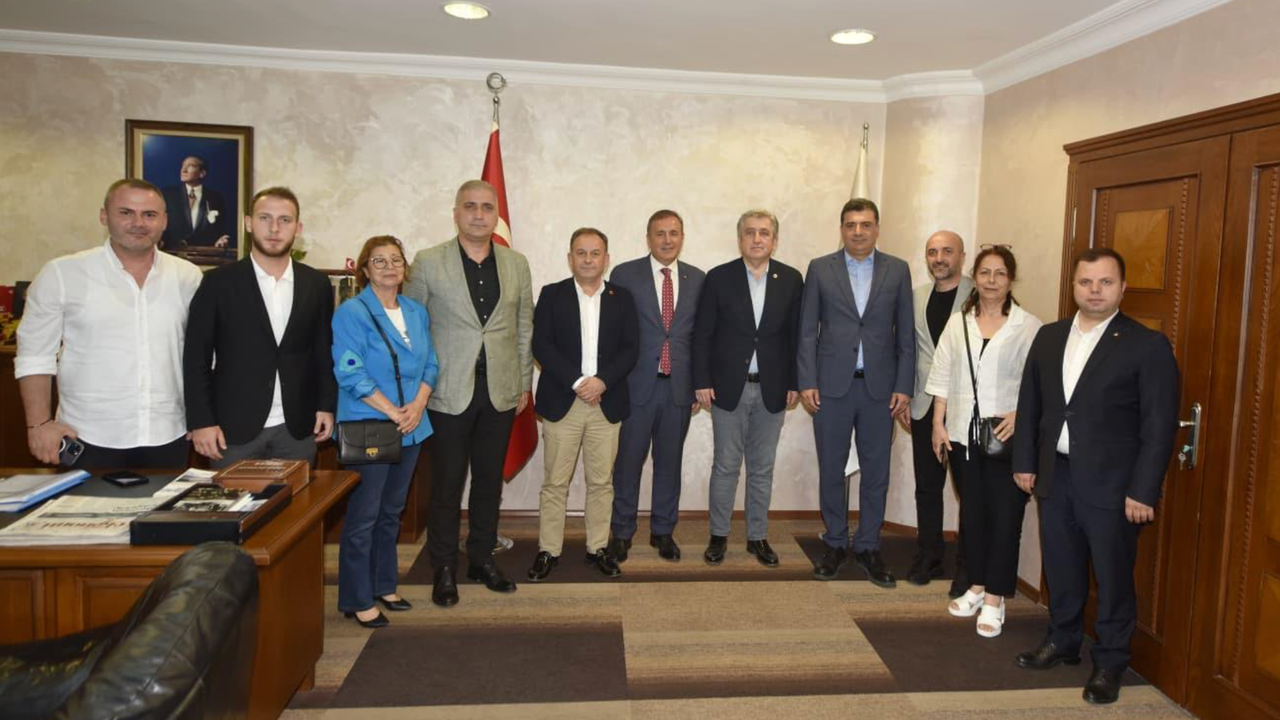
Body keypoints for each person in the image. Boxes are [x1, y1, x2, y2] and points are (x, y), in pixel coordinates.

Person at [1012, 248, 1179, 704]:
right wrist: (1025, 461)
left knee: (1112, 576)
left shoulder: (1146, 345)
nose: (1095, 291)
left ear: (1122, 288)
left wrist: (1144, 489)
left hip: (1114, 485)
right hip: (1056, 476)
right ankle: (1063, 641)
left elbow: (1159, 425)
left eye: (1105, 282)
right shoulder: (1049, 336)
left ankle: (1110, 662)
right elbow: (1031, 404)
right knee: (1062, 567)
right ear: (1074, 287)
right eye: (1086, 282)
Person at [404, 180, 533, 607]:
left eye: (487, 207)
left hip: (500, 391)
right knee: (446, 486)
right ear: (456, 213)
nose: (479, 214)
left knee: (488, 483)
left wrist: (524, 384)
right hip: (446, 392)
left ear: (496, 215)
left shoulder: (516, 263)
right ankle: (443, 567)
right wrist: (418, 389)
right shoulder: (428, 261)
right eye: (470, 206)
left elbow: (524, 327)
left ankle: (481, 558)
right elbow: (413, 329)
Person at [17, 179, 202, 469]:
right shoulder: (62, 274)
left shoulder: (188, 276)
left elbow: (203, 354)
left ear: (165, 221)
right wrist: (39, 425)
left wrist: (203, 418)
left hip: (169, 434)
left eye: (149, 214)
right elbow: (34, 356)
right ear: (104, 216)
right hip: (86, 436)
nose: (138, 223)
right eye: (126, 213)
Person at [925, 245, 1041, 637]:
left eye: (1000, 274)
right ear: (975, 277)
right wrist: (938, 424)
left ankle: (995, 598)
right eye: (985, 273)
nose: (992, 281)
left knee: (1005, 518)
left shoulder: (1028, 327)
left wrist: (1020, 415)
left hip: (1008, 439)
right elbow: (942, 374)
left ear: (1011, 280)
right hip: (962, 436)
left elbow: (1040, 383)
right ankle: (976, 586)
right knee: (972, 515)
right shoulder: (958, 323)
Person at [797, 198, 914, 586]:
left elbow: (906, 335)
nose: (858, 232)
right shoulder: (820, 268)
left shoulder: (898, 270)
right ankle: (834, 542)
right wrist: (807, 380)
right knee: (832, 469)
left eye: (865, 224)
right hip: (831, 387)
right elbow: (806, 331)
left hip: (880, 390)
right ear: (842, 229)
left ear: (877, 228)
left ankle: (867, 546)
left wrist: (904, 386)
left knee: (876, 472)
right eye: (851, 225)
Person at [184, 187, 336, 467]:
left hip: (298, 428)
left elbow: (323, 352)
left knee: (298, 498)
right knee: (232, 499)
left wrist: (326, 405)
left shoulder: (316, 284)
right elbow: (196, 358)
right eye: (265, 218)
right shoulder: (217, 283)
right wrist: (202, 421)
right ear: (248, 223)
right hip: (232, 430)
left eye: (285, 220)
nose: (274, 228)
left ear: (298, 228)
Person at [332, 235, 439, 628]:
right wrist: (393, 411)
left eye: (396, 260)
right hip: (370, 424)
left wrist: (419, 405)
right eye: (379, 261)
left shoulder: (415, 311)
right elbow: (349, 371)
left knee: (392, 510)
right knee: (364, 514)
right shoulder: (352, 312)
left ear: (405, 268)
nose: (389, 267)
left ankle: (384, 584)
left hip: (412, 425)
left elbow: (431, 363)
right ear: (365, 269)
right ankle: (357, 597)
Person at [692, 210, 803, 567]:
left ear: (775, 240)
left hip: (773, 388)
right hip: (728, 388)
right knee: (726, 466)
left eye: (764, 233)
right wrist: (701, 380)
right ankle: (718, 535)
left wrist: (795, 382)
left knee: (762, 468)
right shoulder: (719, 277)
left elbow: (796, 336)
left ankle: (757, 537)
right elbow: (703, 334)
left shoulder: (790, 278)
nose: (757, 239)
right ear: (740, 239)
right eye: (750, 232)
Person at [529, 228, 638, 581]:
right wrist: (578, 382)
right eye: (581, 253)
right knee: (555, 483)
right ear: (570, 258)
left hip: (607, 402)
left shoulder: (623, 297)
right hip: (564, 401)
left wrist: (601, 381)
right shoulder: (552, 294)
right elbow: (542, 346)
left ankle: (597, 548)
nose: (588, 259)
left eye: (595, 253)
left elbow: (631, 349)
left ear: (606, 259)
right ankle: (548, 550)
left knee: (602, 482)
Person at [607, 209, 705, 563]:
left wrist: (699, 383)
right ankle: (621, 532)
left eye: (673, 233)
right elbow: (613, 330)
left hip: (678, 388)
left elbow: (701, 337)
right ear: (648, 238)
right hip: (636, 387)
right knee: (628, 463)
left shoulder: (698, 279)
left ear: (682, 237)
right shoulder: (624, 275)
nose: (667, 240)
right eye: (660, 233)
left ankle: (663, 531)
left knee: (669, 463)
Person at [904, 230, 973, 591]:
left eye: (947, 251)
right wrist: (905, 395)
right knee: (927, 487)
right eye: (932, 252)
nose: (939, 258)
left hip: (965, 407)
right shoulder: (916, 296)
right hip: (923, 403)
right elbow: (908, 349)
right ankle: (928, 556)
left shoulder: (980, 293)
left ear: (962, 256)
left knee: (968, 491)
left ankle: (967, 566)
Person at [160, 155, 232, 249]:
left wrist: (220, 240)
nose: (184, 170)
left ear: (202, 173)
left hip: (204, 254)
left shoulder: (215, 198)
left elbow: (221, 230)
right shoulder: (168, 195)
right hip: (173, 253)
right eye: (183, 166)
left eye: (190, 166)